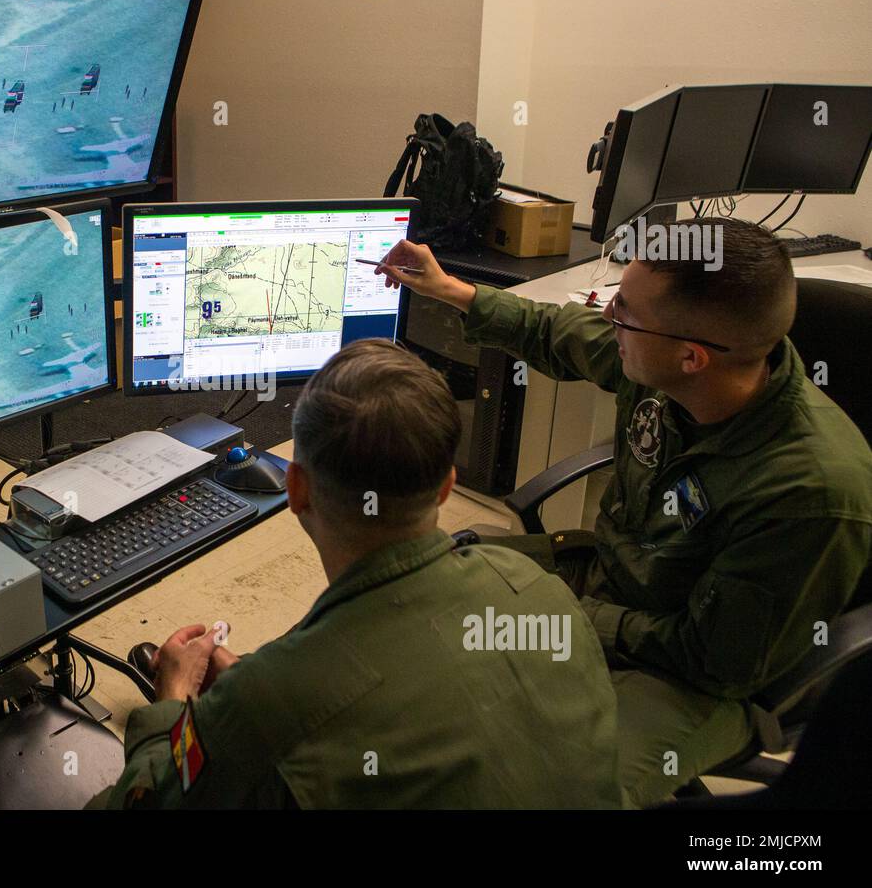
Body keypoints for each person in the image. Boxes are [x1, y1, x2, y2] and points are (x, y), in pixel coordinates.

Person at [373, 217, 872, 806]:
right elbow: (557, 330)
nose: (609, 316)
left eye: (625, 312)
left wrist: (575, 620)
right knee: (403, 586)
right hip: (610, 577)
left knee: (556, 790)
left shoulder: (810, 492)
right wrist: (449, 289)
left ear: (691, 358)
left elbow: (717, 660)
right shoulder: (672, 364)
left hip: (692, 679)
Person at [93, 339, 621, 809]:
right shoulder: (536, 586)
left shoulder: (269, 701)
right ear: (445, 486)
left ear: (295, 489)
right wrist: (255, 695)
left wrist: (174, 703)